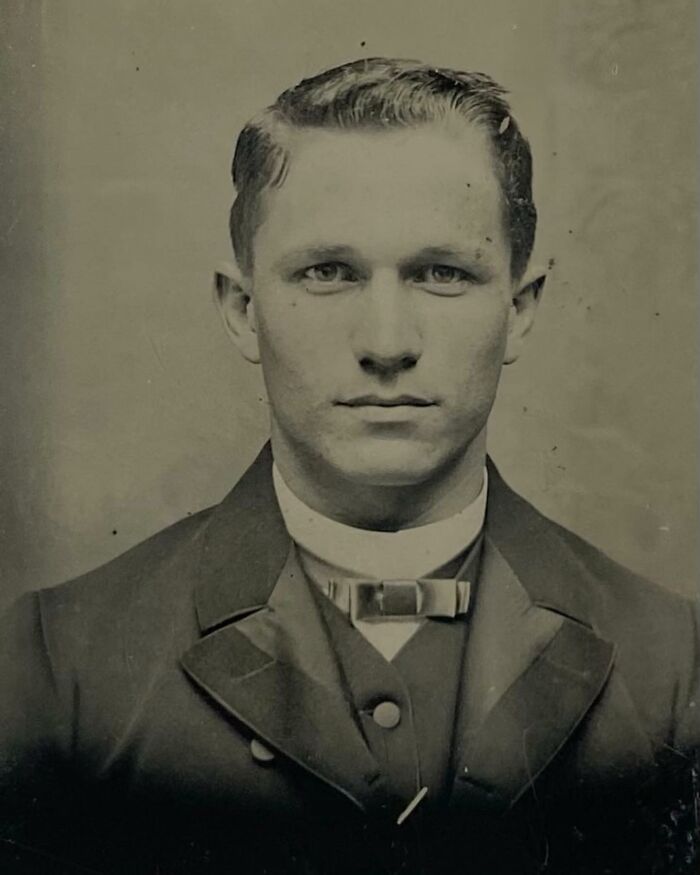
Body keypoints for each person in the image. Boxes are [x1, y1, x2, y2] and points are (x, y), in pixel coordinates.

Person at [0, 57, 697, 875]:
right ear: (242, 308)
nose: (386, 343)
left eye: (443, 274)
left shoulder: (674, 668)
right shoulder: (56, 665)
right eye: (327, 274)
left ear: (520, 309)